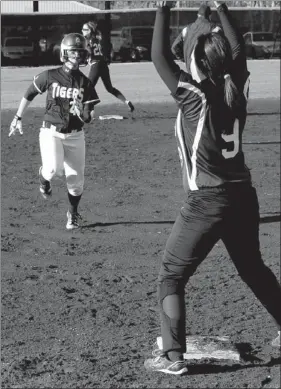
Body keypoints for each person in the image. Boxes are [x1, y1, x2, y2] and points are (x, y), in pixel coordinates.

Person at [144, 0, 281, 376]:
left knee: (171, 276)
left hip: (207, 201)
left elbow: (158, 57)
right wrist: (221, 8)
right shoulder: (237, 87)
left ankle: (172, 358)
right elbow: (238, 51)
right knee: (253, 268)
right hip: (243, 195)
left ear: (200, 64)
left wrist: (161, 9)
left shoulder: (196, 97)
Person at [8, 33, 100, 230]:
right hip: (50, 131)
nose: (76, 56)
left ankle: (73, 214)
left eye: (80, 52)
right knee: (52, 169)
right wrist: (18, 117)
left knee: (76, 182)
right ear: (65, 53)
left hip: (76, 134)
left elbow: (90, 116)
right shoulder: (50, 75)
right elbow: (29, 93)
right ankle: (43, 178)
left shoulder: (85, 83)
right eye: (73, 52)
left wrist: (82, 114)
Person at [81, 20, 135, 113]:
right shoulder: (99, 38)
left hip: (96, 65)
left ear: (89, 31)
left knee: (88, 88)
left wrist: (86, 57)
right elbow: (109, 48)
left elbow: (89, 52)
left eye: (84, 29)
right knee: (109, 88)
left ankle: (88, 110)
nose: (82, 30)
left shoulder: (87, 41)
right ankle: (126, 101)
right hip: (103, 64)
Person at [171, 3, 221, 71]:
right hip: (207, 72)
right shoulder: (215, 29)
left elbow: (174, 48)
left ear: (198, 15)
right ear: (210, 16)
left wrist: (185, 59)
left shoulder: (187, 29)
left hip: (191, 70)